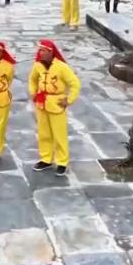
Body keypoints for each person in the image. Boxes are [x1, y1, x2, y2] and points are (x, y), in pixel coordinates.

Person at [29, 40, 80, 176]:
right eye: (40, 50)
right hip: (41, 104)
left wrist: (69, 99)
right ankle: (46, 159)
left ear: (51, 52)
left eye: (43, 50)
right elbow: (32, 79)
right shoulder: (37, 66)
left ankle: (62, 161)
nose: (40, 53)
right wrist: (33, 93)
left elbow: (75, 83)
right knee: (43, 133)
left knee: (59, 134)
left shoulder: (62, 67)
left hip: (56, 104)